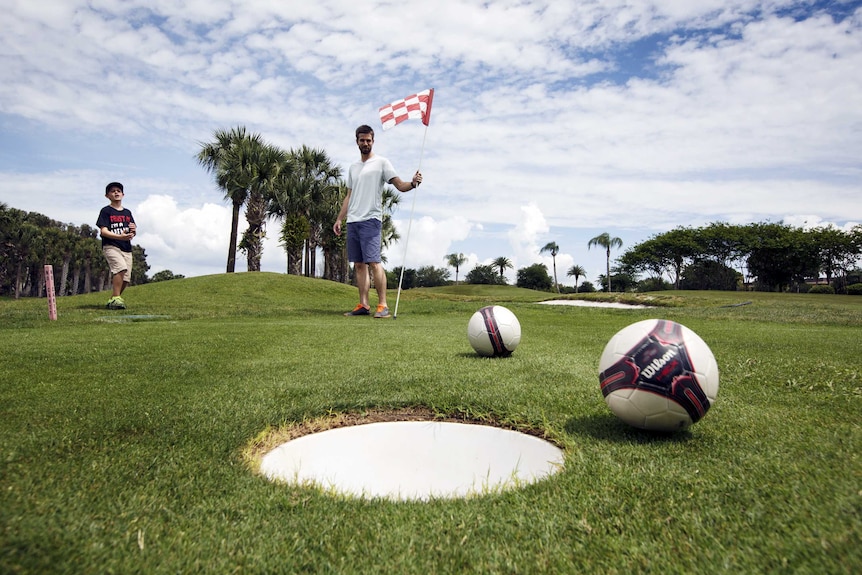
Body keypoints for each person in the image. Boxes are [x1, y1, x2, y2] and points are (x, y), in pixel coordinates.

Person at [334, 125, 422, 318]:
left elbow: (399, 185)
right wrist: (340, 218)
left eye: (368, 140)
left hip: (371, 219)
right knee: (358, 264)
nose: (365, 143)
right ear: (357, 141)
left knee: (374, 262)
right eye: (362, 140)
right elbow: (349, 195)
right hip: (353, 221)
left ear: (373, 141)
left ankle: (383, 305)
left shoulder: (382, 163)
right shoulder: (353, 168)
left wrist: (413, 183)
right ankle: (363, 305)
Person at [97, 182, 136, 309]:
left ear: (123, 194)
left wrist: (132, 232)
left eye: (118, 190)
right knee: (120, 268)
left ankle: (113, 299)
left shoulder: (127, 212)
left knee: (126, 278)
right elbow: (103, 231)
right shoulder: (106, 211)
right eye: (112, 191)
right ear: (107, 195)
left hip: (126, 247)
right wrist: (120, 237)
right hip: (111, 245)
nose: (116, 193)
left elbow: (132, 230)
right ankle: (116, 298)